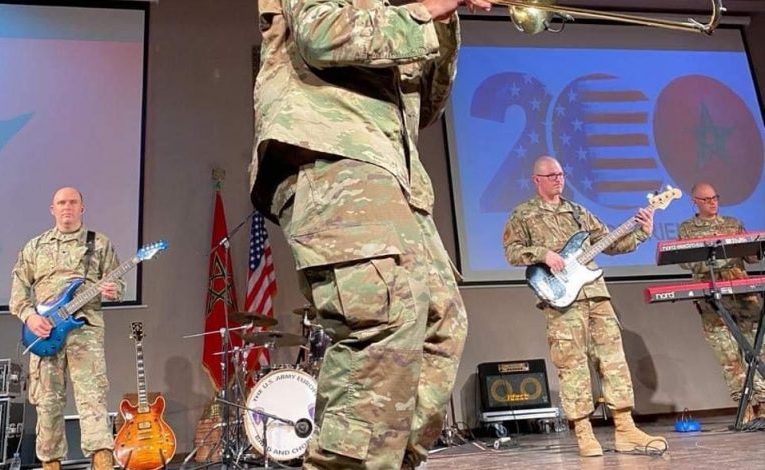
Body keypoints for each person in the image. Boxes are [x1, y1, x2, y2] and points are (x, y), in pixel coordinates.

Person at [249, 0, 491, 468]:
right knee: (384, 320)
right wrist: (427, 9)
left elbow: (426, 107)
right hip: (332, 156)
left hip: (391, 172)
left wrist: (444, 21)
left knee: (440, 325)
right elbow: (320, 33)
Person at [503, 156, 667, 457]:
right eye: (551, 175)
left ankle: (625, 429)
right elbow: (512, 252)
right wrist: (543, 254)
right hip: (562, 298)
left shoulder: (579, 212)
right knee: (572, 364)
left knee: (613, 360)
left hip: (596, 294)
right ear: (536, 180)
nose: (558, 179)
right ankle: (583, 431)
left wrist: (643, 231)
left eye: (561, 174)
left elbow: (610, 243)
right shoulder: (523, 214)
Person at [10, 187, 124, 470]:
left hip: (85, 334)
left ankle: (102, 463)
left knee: (93, 400)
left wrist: (114, 290)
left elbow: (118, 284)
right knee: (48, 404)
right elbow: (18, 293)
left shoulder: (99, 244)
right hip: (45, 333)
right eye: (61, 203)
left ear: (82, 208)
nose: (67, 207)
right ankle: (50, 464)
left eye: (73, 202)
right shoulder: (35, 247)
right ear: (53, 209)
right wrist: (30, 317)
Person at [678, 182, 765, 421]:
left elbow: (751, 257)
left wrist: (756, 247)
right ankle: (744, 404)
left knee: (757, 348)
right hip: (712, 297)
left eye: (715, 197)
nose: (712, 202)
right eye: (706, 199)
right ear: (694, 202)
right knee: (727, 354)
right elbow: (686, 261)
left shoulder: (733, 224)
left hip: (743, 295)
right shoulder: (687, 228)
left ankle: (764, 400)